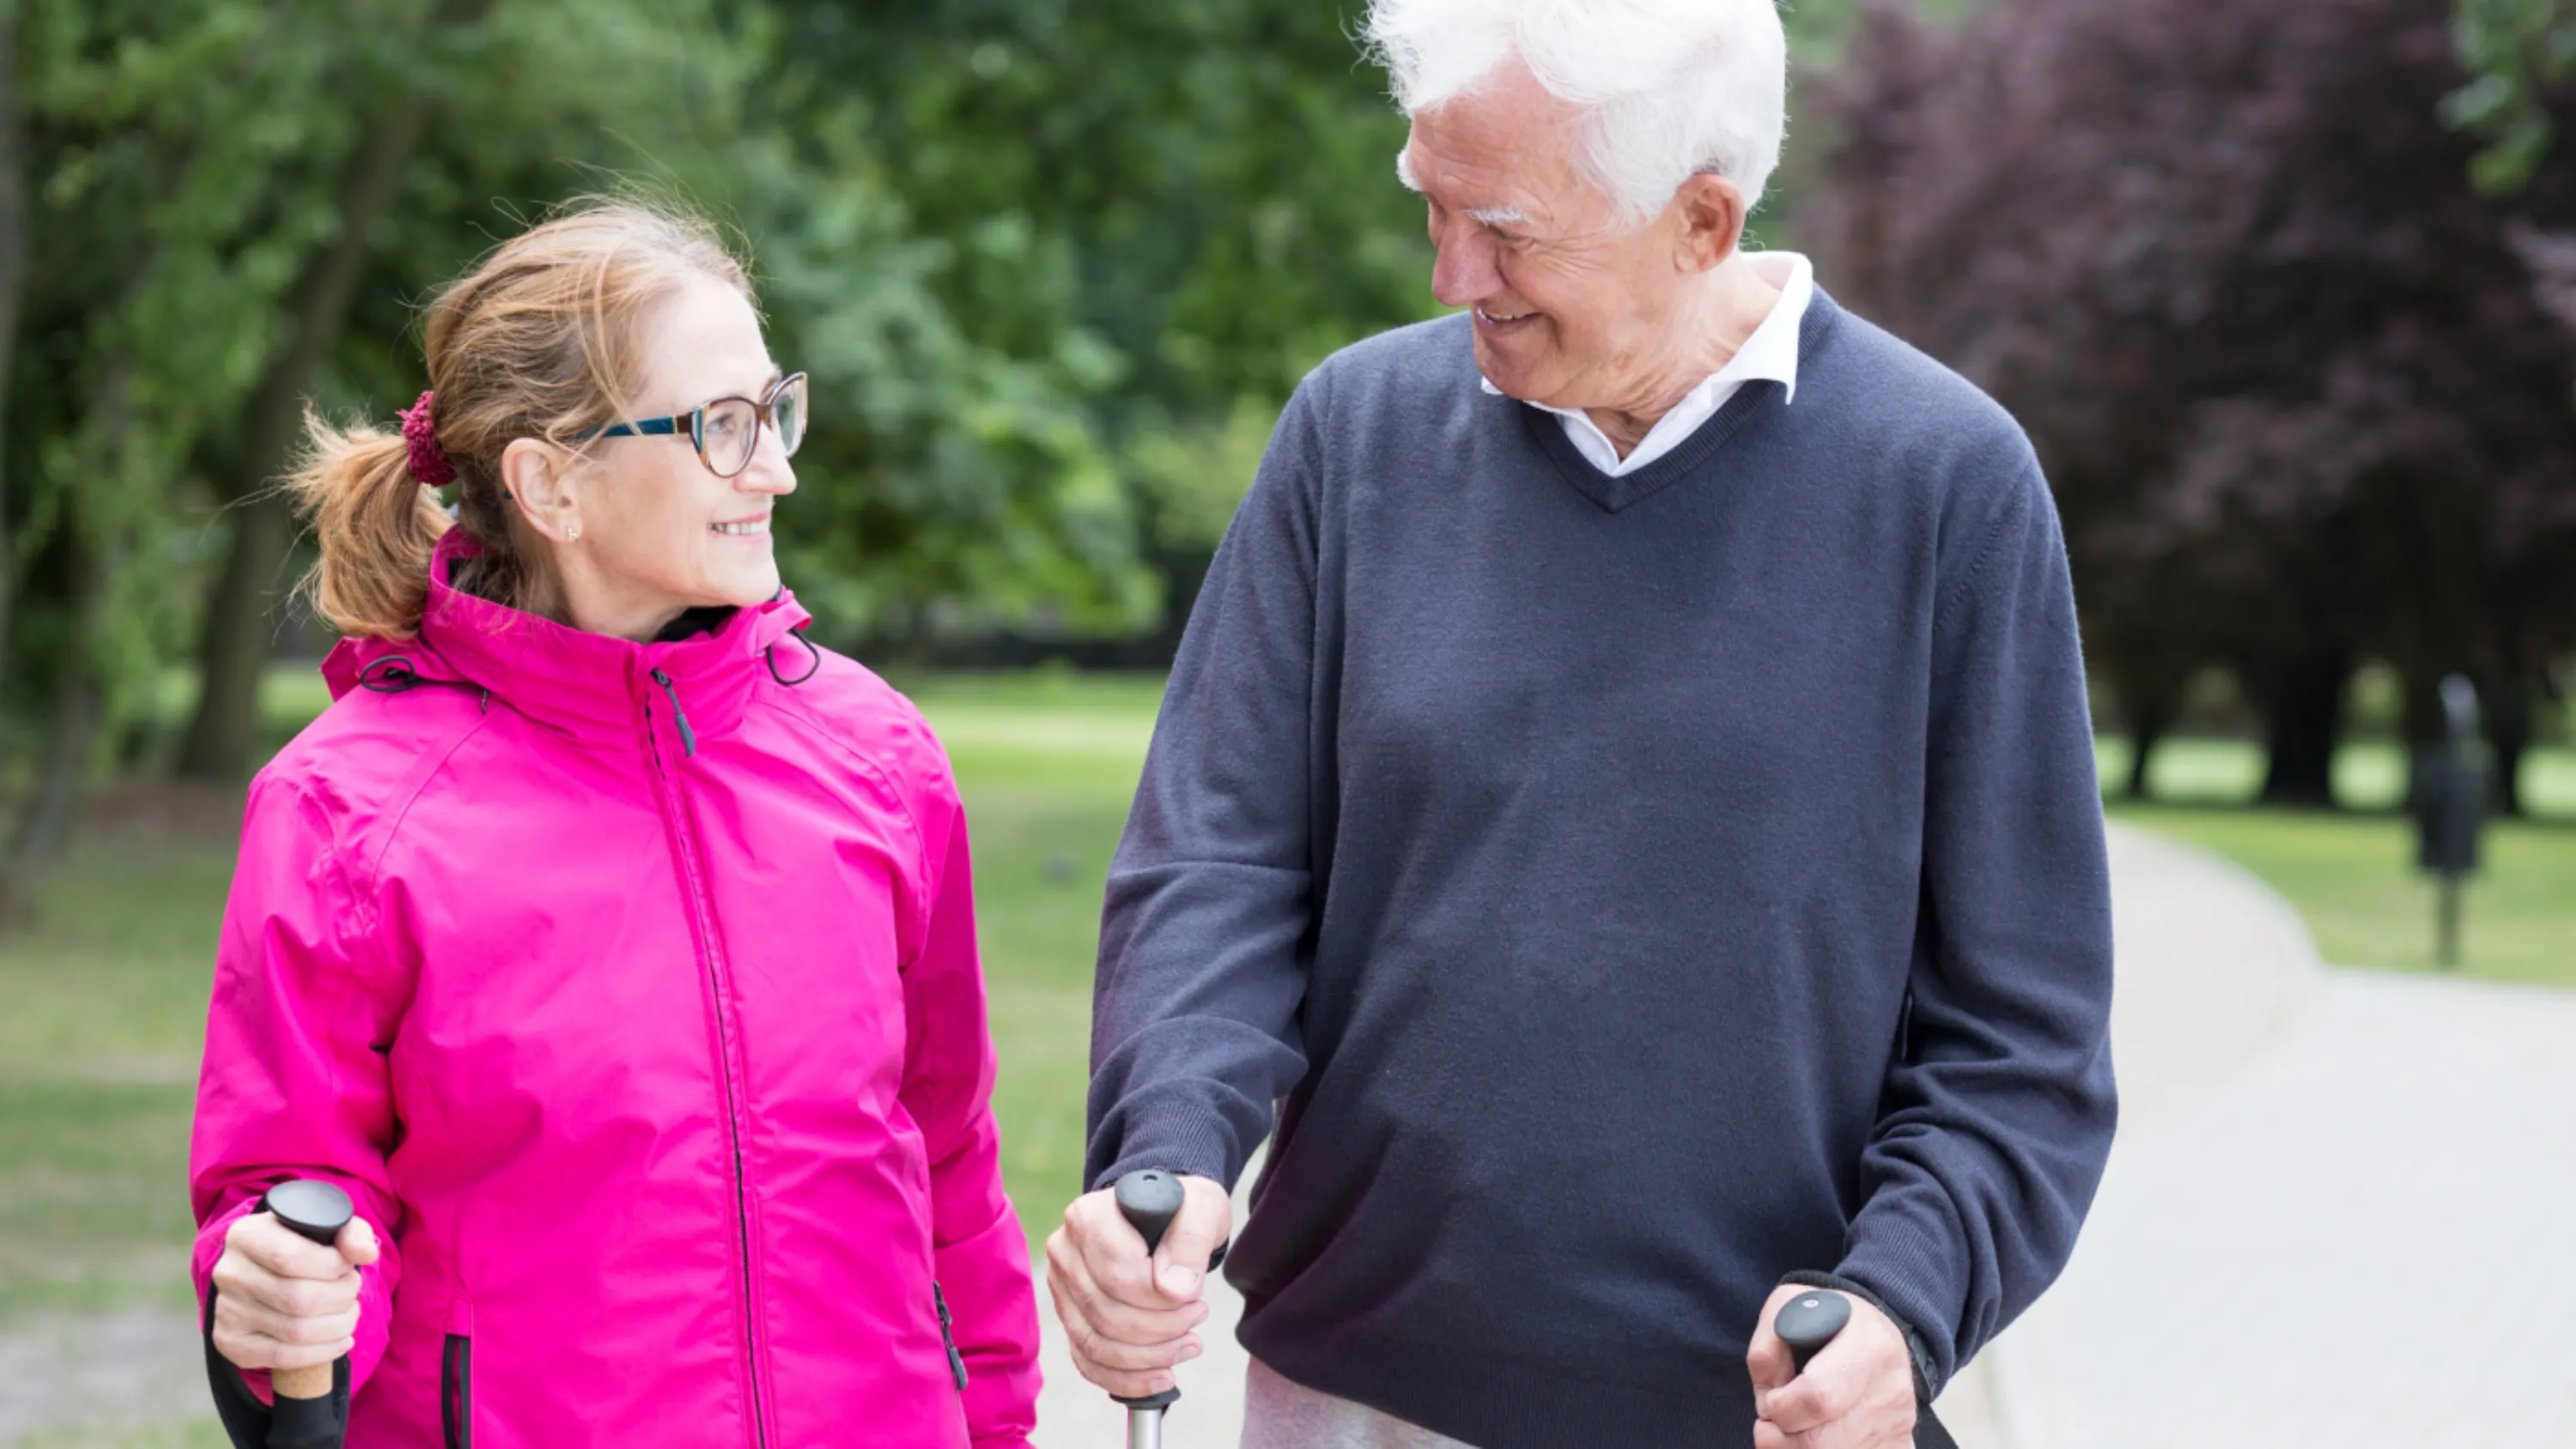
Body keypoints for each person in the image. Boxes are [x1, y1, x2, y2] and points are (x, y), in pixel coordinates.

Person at [1047, 2, 2117, 1446]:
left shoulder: (1948, 487)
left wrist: (1906, 1306)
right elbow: (1218, 866)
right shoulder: (1351, 436)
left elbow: (2023, 1038)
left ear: (1701, 219)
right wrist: (1163, 1148)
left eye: (1506, 229)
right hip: (1354, 1401)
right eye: (1432, 207)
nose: (1450, 272)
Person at [188, 201, 1040, 1448]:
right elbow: (289, 1205)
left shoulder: (878, 756)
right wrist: (278, 1296)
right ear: (550, 485)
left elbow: (950, 1156)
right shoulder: (345, 814)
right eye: (721, 427)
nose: (778, 468)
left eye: (776, 407)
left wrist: (1001, 1427)